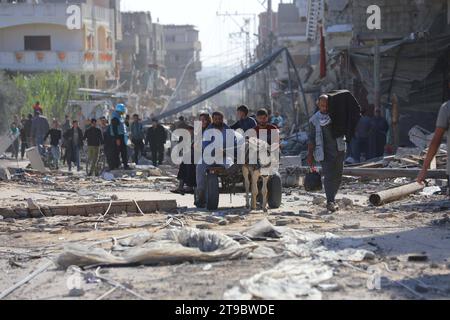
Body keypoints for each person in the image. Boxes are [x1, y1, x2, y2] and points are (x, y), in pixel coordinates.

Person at [307, 95, 346, 213]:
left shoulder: (337, 115)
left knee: (338, 176)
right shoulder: (314, 120)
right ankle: (330, 201)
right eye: (322, 105)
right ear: (318, 105)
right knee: (329, 176)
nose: (325, 108)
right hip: (324, 153)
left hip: (339, 150)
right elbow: (311, 139)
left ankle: (332, 198)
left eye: (327, 105)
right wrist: (310, 155)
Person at [195, 111, 231, 208]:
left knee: (232, 168)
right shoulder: (208, 130)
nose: (218, 120)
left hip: (224, 157)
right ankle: (200, 195)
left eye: (219, 119)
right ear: (213, 119)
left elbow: (232, 144)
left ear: (222, 119)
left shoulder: (227, 129)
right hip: (209, 156)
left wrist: (225, 151)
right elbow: (205, 145)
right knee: (199, 169)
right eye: (215, 119)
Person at [418, 101, 450, 194]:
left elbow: (436, 140)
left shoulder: (447, 108)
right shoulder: (447, 108)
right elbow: (436, 141)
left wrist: (424, 170)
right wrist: (424, 169)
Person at [110, 104, 129, 170]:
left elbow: (125, 125)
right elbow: (114, 129)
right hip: (117, 137)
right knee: (116, 152)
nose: (123, 112)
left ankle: (125, 165)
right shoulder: (115, 117)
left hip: (122, 136)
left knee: (124, 151)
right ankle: (115, 166)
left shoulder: (120, 116)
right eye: (123, 110)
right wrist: (117, 138)